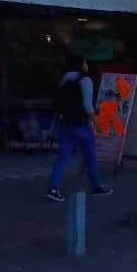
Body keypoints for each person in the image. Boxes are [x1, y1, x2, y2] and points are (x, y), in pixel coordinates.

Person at [46, 55, 112, 202]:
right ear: (81, 65)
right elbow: (88, 107)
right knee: (90, 155)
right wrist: (99, 124)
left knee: (63, 157)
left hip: (66, 125)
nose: (86, 65)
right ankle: (96, 186)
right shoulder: (85, 81)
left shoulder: (64, 81)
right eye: (85, 63)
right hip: (82, 125)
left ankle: (53, 187)